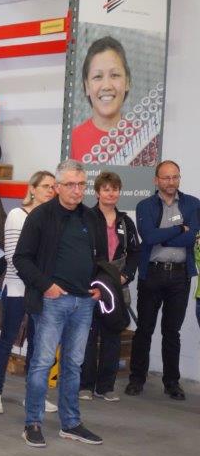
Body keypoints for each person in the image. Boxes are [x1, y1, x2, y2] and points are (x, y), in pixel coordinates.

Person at [14, 160, 103, 448]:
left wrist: (99, 286)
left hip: (84, 303)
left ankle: (71, 423)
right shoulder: (41, 216)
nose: (77, 190)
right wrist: (46, 286)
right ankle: (33, 423)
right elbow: (21, 259)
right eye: (71, 185)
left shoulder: (91, 217)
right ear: (58, 187)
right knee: (42, 363)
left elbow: (101, 259)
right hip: (52, 301)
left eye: (82, 185)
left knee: (74, 365)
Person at [125, 160, 199, 401]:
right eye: (166, 177)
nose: (171, 182)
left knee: (172, 331)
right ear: (156, 180)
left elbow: (191, 238)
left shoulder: (193, 204)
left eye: (175, 177)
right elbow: (148, 237)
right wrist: (178, 229)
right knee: (144, 329)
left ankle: (172, 382)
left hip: (180, 275)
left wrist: (163, 238)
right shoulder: (145, 205)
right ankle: (137, 379)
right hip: (152, 274)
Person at [0, 170, 56, 415]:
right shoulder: (17, 215)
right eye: (46, 186)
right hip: (17, 287)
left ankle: (34, 396)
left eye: (53, 187)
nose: (50, 191)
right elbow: (14, 257)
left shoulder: (52, 218)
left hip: (41, 290)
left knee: (37, 343)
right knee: (7, 339)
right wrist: (39, 281)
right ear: (32, 189)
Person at [78, 171, 139, 402]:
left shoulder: (125, 222)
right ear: (97, 193)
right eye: (106, 189)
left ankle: (106, 386)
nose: (110, 193)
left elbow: (135, 253)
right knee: (89, 335)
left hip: (117, 286)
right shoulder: (86, 218)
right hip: (92, 286)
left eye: (114, 189)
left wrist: (125, 275)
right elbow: (79, 251)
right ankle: (85, 385)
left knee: (112, 335)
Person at [70, 36, 131, 163]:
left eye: (115, 75)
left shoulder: (144, 136)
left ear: (127, 82)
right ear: (87, 86)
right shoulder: (72, 141)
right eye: (98, 76)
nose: (106, 86)